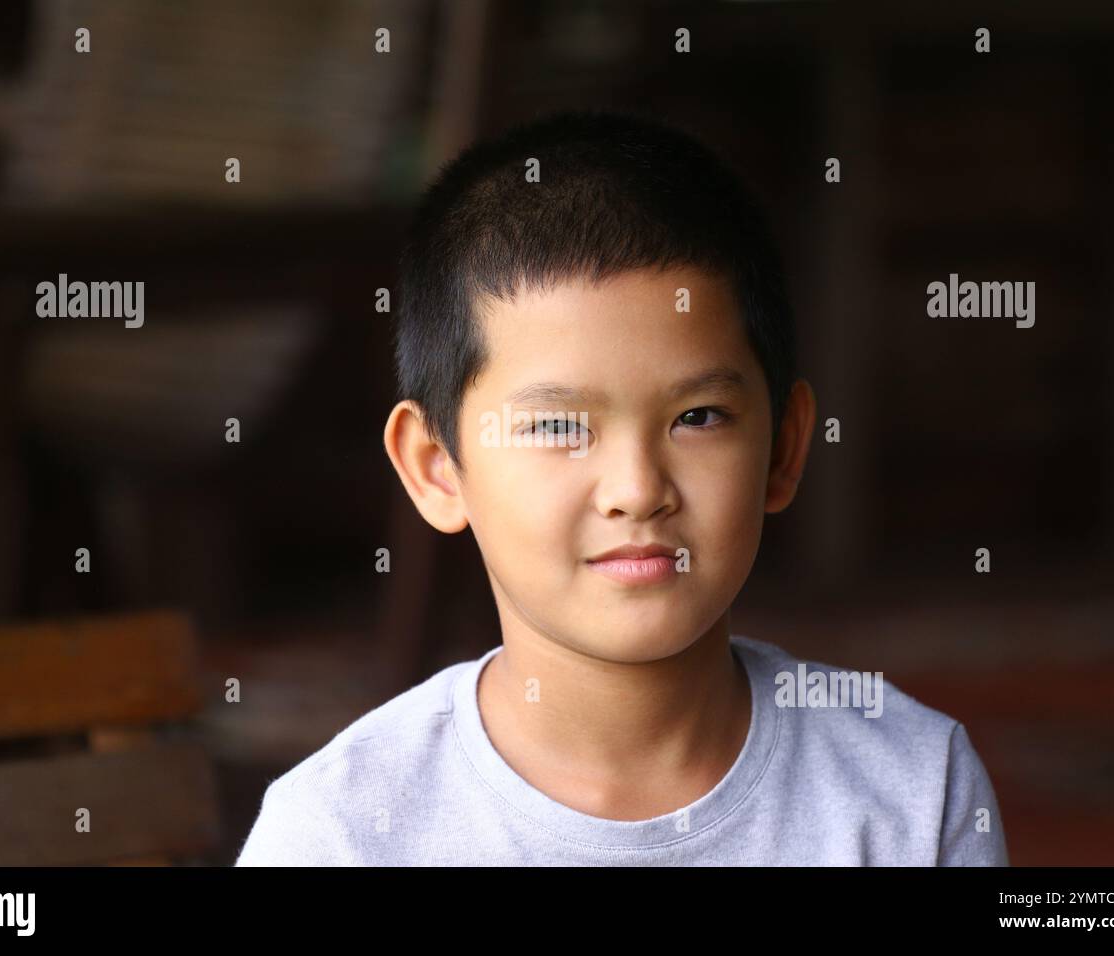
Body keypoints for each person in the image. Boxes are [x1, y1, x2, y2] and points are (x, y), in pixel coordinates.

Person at [236, 109, 1008, 865]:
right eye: (557, 428)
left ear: (784, 446)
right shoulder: (342, 834)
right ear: (437, 468)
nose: (637, 490)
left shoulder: (913, 791)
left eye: (698, 416)